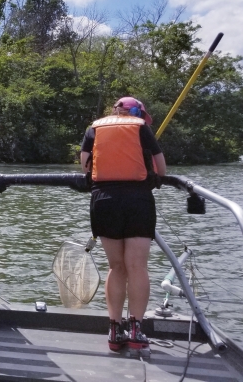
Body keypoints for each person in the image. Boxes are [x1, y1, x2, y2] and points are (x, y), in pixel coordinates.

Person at [80, 96, 166, 352]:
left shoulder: (93, 128)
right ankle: (137, 329)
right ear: (138, 112)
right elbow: (161, 169)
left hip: (104, 201)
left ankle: (115, 329)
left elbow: (85, 166)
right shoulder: (142, 128)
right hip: (138, 200)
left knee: (116, 267)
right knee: (137, 266)